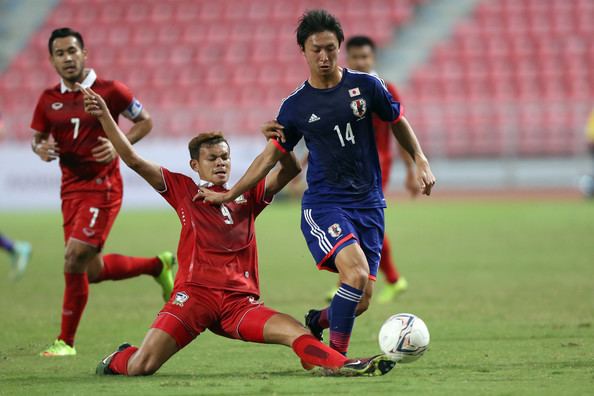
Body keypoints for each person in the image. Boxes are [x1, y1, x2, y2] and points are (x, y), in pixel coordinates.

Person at [79, 84, 397, 377]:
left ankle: (344, 364)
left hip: (239, 305)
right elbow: (133, 159)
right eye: (212, 158)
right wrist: (107, 116)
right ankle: (118, 358)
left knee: (297, 333)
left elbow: (289, 170)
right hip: (193, 298)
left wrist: (276, 141)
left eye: (225, 157)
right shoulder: (182, 189)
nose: (221, 163)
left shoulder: (247, 195)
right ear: (195, 165)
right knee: (140, 366)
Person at [198, 10, 435, 356]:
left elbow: (397, 120)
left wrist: (420, 159)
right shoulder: (295, 106)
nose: (323, 57)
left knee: (362, 300)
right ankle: (335, 360)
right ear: (303, 52)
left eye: (329, 49)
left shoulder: (367, 86)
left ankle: (316, 321)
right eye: (315, 50)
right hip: (325, 204)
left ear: (339, 47)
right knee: (354, 276)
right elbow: (269, 157)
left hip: (369, 203)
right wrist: (233, 193)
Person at [30, 28, 175, 357]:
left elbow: (145, 121)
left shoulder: (111, 90)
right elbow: (37, 138)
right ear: (52, 60)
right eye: (60, 53)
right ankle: (157, 266)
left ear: (84, 54)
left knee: (72, 257)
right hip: (69, 189)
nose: (68, 58)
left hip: (103, 188)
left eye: (72, 51)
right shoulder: (47, 99)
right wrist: (41, 147)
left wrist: (117, 145)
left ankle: (65, 342)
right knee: (89, 270)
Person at [321, 35, 418, 304]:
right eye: (355, 57)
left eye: (365, 57)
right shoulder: (341, 89)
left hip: (377, 165)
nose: (361, 62)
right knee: (354, 220)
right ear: (347, 59)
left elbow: (400, 130)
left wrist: (411, 169)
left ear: (373, 58)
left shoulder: (384, 88)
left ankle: (355, 281)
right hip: (347, 167)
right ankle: (380, 280)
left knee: (361, 220)